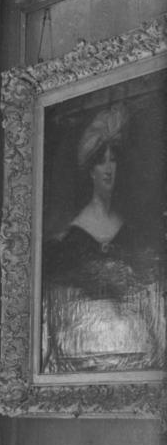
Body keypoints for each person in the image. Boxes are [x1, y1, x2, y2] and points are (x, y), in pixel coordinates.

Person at [40, 102, 163, 373]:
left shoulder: (131, 233)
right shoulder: (67, 240)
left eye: (113, 158)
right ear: (89, 169)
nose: (109, 168)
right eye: (101, 160)